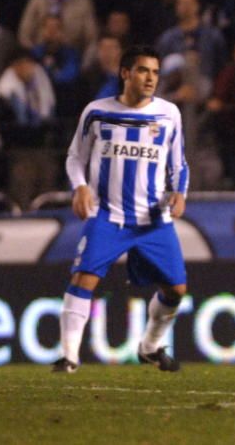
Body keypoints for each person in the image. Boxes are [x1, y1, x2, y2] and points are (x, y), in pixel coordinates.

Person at [54, 45, 190, 374]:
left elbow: (179, 163)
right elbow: (75, 157)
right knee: (84, 278)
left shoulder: (169, 113)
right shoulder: (97, 112)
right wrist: (80, 186)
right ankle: (69, 356)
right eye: (143, 70)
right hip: (108, 215)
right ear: (125, 73)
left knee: (176, 289)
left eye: (155, 72)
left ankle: (150, 346)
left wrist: (180, 193)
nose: (150, 78)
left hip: (153, 219)